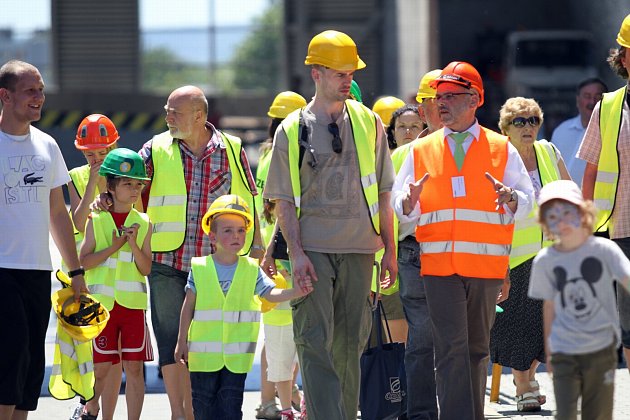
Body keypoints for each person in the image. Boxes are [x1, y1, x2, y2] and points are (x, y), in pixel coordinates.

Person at [263, 30, 397, 420]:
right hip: (314, 253)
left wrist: (388, 249)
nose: (347, 79)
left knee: (350, 345)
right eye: (340, 72)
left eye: (351, 71)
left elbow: (385, 192)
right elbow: (284, 202)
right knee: (313, 341)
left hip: (360, 250)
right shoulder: (291, 129)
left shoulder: (369, 122)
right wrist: (298, 255)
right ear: (317, 73)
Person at [393, 61, 534, 420]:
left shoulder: (502, 148)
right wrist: (407, 202)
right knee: (451, 348)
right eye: (439, 97)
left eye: (451, 96)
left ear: (474, 100)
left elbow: (527, 199)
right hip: (439, 268)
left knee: (476, 350)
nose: (441, 104)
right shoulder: (421, 150)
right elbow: (400, 204)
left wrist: (513, 198)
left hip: (485, 268)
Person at [132, 85, 260, 420]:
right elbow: (127, 186)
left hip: (214, 267)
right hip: (167, 261)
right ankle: (180, 414)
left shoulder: (230, 149)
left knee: (207, 342)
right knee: (171, 339)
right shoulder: (155, 148)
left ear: (200, 116)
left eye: (175, 112)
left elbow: (250, 198)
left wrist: (258, 245)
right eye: (167, 111)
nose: (167, 117)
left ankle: (204, 409)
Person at [0, 59, 88, 418]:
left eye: (41, 90)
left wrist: (76, 272)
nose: (39, 97)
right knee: (12, 353)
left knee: (32, 361)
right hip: (1, 269)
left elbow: (57, 213)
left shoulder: (48, 145)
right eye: (30, 91)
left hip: (38, 270)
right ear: (5, 96)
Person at [174, 195, 312, 420]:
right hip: (203, 359)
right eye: (227, 230)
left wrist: (295, 292)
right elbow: (188, 306)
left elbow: (270, 293)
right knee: (203, 408)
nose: (236, 236)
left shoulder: (251, 269)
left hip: (236, 360)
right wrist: (181, 342)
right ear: (213, 235)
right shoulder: (200, 267)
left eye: (240, 230)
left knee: (230, 408)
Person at [489, 97, 571, 412]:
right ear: (505, 128)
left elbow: (569, 192)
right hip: (513, 256)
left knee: (544, 324)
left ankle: (529, 378)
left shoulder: (549, 151)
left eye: (533, 120)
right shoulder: (498, 158)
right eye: (520, 121)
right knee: (517, 323)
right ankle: (523, 384)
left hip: (551, 253)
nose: (528, 127)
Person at [528, 180, 630, 420]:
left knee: (599, 413)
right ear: (544, 222)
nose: (561, 221)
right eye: (552, 215)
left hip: (602, 350)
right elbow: (549, 307)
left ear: (583, 212)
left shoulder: (605, 250)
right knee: (565, 413)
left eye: (567, 212)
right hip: (565, 351)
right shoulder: (545, 261)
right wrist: (550, 353)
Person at [79, 148, 153, 420]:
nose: (134, 190)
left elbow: (146, 268)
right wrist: (114, 246)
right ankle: (91, 406)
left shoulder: (144, 223)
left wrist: (132, 244)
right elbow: (84, 261)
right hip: (102, 309)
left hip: (132, 308)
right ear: (110, 185)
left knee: (134, 368)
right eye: (127, 184)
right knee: (101, 368)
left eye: (138, 184)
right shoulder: (96, 219)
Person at [389, 68, 442, 419]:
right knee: (422, 341)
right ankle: (422, 413)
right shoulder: (403, 156)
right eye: (434, 102)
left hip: (461, 253)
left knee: (460, 344)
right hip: (415, 253)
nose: (441, 108)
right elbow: (392, 215)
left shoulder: (480, 147)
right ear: (422, 108)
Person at [579, 13, 630, 372]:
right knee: (629, 327)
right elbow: (592, 172)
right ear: (623, 58)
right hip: (621, 229)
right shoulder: (607, 108)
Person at [66, 114, 124, 420]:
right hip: (89, 273)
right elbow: (76, 221)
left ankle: (102, 411)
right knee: (93, 350)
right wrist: (92, 181)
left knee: (115, 353)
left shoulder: (125, 172)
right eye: (90, 153)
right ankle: (89, 402)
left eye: (103, 152)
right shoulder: (76, 176)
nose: (97, 158)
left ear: (115, 146)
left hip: (122, 271)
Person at [255, 91, 306, 420]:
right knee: (289, 333)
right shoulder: (285, 157)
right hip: (282, 252)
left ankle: (273, 400)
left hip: (269, 253)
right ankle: (275, 400)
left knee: (277, 335)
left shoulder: (265, 156)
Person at [551, 78, 607, 184]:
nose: (592, 102)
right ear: (577, 101)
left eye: (598, 96)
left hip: (600, 198)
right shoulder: (561, 131)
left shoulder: (614, 131)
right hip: (565, 197)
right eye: (587, 96)